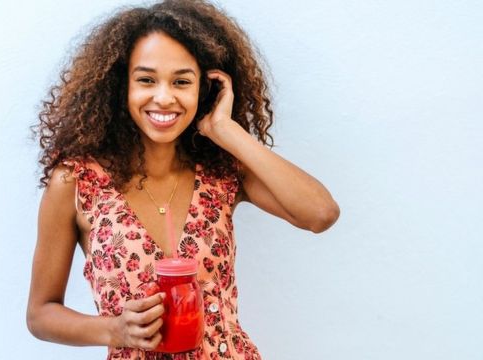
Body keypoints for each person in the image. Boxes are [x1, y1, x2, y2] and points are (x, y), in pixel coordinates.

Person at [26, 0, 340, 358]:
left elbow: (320, 213)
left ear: (203, 90)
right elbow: (41, 314)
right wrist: (115, 329)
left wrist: (226, 129)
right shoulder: (77, 181)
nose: (164, 97)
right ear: (120, 86)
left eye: (182, 82)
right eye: (146, 79)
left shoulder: (222, 174)